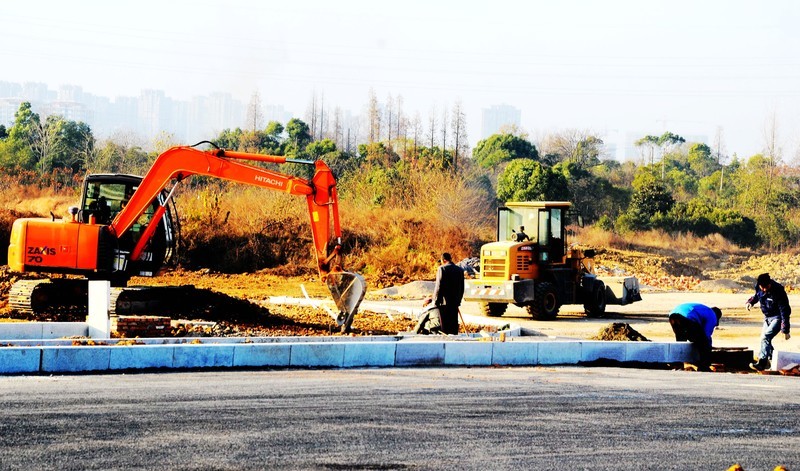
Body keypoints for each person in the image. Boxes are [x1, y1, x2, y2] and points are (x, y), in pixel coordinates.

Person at [746, 273, 792, 371]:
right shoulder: (759, 288)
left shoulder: (778, 290)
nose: (764, 290)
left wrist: (785, 330)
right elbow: (757, 296)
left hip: (777, 317)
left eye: (766, 287)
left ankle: (762, 362)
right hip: (767, 317)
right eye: (762, 288)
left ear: (770, 283)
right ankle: (774, 361)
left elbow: (784, 310)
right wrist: (750, 302)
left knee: (766, 337)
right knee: (764, 340)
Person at [669, 303, 722, 371]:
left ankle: (678, 365)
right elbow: (707, 334)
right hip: (687, 316)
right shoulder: (712, 314)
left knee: (681, 341)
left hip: (673, 315)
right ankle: (704, 366)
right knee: (703, 341)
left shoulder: (704, 310)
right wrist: (708, 348)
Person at [423, 253, 465, 335]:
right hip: (455, 303)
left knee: (444, 327)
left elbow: (438, 286)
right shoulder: (459, 270)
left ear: (443, 260)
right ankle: (453, 342)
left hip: (443, 303)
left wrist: (435, 301)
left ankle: (446, 342)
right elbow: (462, 288)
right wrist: (458, 300)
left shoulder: (442, 269)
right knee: (453, 326)